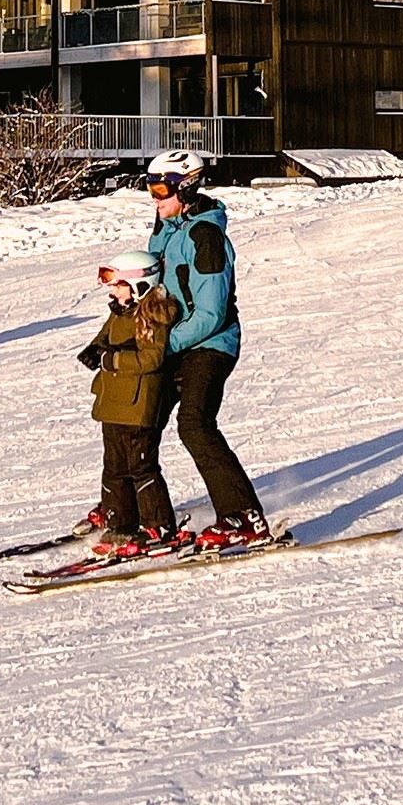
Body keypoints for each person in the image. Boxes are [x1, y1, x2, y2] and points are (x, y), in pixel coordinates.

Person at [141, 150, 272, 550]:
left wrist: (165, 344)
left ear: (187, 187)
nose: (154, 198)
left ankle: (243, 516)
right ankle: (139, 514)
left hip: (211, 343)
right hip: (176, 341)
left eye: (161, 189)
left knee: (195, 424)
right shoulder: (167, 230)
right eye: (149, 188)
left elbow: (212, 312)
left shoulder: (206, 235)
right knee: (138, 421)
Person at [78, 249, 184, 557]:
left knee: (140, 466)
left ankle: (159, 526)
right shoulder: (119, 312)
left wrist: (111, 359)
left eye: (118, 284)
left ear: (140, 285)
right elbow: (104, 337)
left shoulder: (152, 314)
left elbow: (152, 358)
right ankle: (121, 522)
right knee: (114, 467)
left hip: (139, 405)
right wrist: (94, 350)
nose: (112, 290)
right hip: (113, 402)